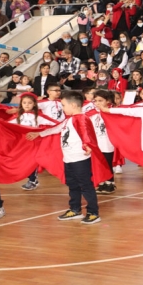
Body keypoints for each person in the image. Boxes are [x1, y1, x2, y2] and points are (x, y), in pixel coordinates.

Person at [27, 91, 108, 224]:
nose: (63, 108)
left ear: (74, 105)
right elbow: (57, 128)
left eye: (64, 105)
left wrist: (87, 145)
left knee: (86, 185)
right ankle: (75, 209)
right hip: (68, 158)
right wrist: (40, 134)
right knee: (72, 185)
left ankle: (93, 212)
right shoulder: (69, 119)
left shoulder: (81, 118)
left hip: (79, 159)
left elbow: (86, 132)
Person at [88, 90, 118, 195]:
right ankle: (102, 182)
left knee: (107, 163)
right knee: (99, 163)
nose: (97, 103)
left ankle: (110, 183)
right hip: (97, 142)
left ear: (108, 101)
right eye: (95, 101)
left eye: (100, 100)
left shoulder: (112, 111)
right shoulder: (92, 113)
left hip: (108, 142)